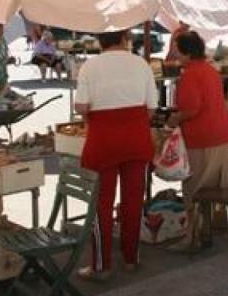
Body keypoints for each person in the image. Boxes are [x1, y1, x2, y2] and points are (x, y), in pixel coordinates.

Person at [74, 29, 157, 281]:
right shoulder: (141, 64)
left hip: (103, 142)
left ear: (100, 41)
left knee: (101, 204)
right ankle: (131, 259)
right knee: (133, 201)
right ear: (124, 39)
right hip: (136, 139)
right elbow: (151, 108)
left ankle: (102, 266)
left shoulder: (89, 66)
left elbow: (81, 106)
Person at [167, 31, 228, 250]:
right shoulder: (211, 70)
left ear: (187, 53)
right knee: (213, 187)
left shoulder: (190, 75)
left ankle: (192, 237)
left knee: (194, 189)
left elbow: (191, 109)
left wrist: (174, 118)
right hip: (221, 134)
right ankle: (209, 229)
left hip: (202, 138)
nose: (175, 54)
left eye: (177, 50)